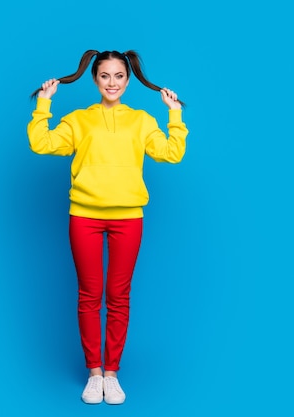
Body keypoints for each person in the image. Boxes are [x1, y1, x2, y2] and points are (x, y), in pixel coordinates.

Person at [26, 50, 188, 405]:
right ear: (94, 80)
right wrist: (44, 104)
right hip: (84, 215)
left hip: (128, 217)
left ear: (128, 81)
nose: (112, 83)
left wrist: (174, 115)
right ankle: (94, 372)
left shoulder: (142, 121)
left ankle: (112, 373)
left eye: (118, 76)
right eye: (105, 76)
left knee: (118, 297)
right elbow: (41, 143)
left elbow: (171, 153)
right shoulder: (79, 120)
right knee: (89, 295)